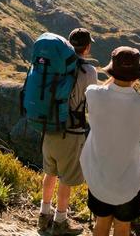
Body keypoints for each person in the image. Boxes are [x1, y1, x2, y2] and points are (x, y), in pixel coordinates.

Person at [80, 46, 140, 236]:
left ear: (111, 71)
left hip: (98, 177)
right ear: (137, 76)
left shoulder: (93, 94)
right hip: (128, 181)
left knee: (101, 222)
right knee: (123, 226)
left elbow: (101, 89)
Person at [38, 28, 98, 235]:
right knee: (66, 178)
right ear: (87, 47)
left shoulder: (56, 64)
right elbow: (92, 103)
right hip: (72, 132)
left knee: (50, 172)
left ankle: (43, 215)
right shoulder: (88, 71)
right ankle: (60, 221)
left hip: (49, 127)